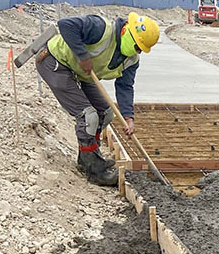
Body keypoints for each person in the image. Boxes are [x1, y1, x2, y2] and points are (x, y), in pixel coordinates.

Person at [34, 12, 159, 186]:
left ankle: (90, 156)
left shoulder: (131, 60)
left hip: (80, 73)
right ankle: (94, 171)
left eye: (141, 50)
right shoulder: (100, 28)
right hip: (55, 62)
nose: (138, 52)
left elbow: (125, 87)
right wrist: (82, 56)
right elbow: (65, 25)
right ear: (127, 33)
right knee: (88, 116)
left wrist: (128, 117)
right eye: (137, 47)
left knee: (106, 113)